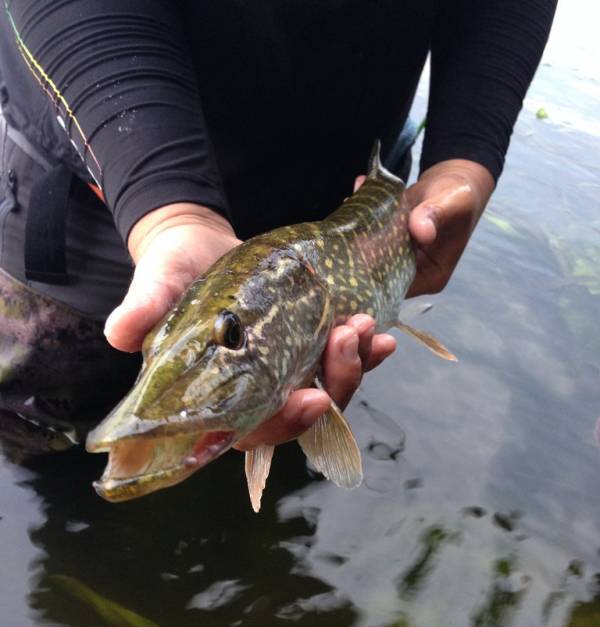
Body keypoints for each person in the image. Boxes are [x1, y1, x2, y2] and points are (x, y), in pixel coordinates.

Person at [0, 1, 557, 457]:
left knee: (295, 412)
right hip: (93, 190)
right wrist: (172, 213)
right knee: (36, 439)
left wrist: (466, 160)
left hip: (338, 201)